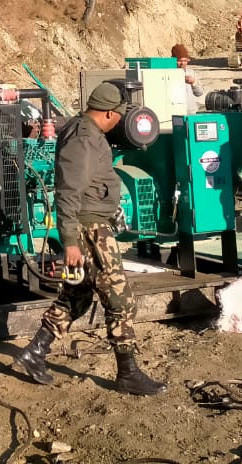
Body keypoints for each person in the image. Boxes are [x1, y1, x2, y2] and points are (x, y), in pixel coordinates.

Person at [14, 82, 166, 396]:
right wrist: (69, 241)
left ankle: (35, 352)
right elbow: (68, 192)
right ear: (109, 113)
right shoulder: (83, 138)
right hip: (88, 231)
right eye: (118, 117)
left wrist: (110, 211)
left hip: (94, 223)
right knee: (120, 300)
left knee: (78, 294)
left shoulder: (86, 133)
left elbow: (91, 185)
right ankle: (128, 373)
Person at [171, 43, 205, 115]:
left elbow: (200, 93)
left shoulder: (191, 72)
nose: (183, 63)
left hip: (191, 112)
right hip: (176, 114)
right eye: (180, 60)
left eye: (185, 60)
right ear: (173, 60)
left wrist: (193, 83)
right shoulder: (168, 74)